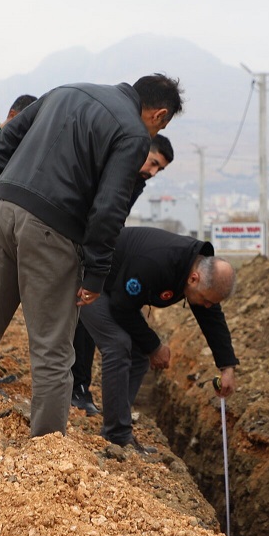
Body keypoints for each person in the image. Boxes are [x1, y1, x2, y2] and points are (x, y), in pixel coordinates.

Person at [0, 74, 184, 464]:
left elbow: (5, 139)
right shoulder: (132, 133)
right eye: (160, 125)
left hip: (3, 215)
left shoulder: (66, 91)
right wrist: (95, 274)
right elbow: (109, 208)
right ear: (159, 114)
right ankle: (45, 457)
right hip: (53, 232)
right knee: (52, 350)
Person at [78, 226, 238, 452]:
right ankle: (116, 435)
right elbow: (122, 307)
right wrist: (154, 346)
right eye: (206, 300)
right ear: (194, 279)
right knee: (118, 344)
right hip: (91, 278)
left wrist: (227, 367)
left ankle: (118, 427)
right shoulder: (156, 263)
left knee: (138, 354)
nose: (208, 306)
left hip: (116, 284)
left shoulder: (198, 273)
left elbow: (212, 318)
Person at [71, 133, 174, 415]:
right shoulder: (115, 166)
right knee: (88, 322)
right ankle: (75, 389)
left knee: (87, 320)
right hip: (76, 245)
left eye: (159, 170)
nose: (152, 173)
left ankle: (79, 390)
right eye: (153, 163)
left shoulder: (136, 181)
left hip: (98, 251)